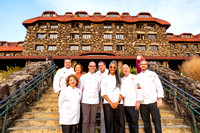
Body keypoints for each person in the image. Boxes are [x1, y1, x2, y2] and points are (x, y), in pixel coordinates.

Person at [137, 60, 164, 133]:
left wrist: (160, 99)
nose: (143, 65)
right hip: (143, 103)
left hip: (153, 101)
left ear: (147, 65)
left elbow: (159, 86)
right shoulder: (138, 76)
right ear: (139, 65)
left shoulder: (153, 74)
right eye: (141, 64)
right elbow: (138, 88)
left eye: (144, 64)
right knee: (146, 123)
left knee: (156, 121)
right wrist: (138, 101)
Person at [101, 60, 125, 133]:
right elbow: (103, 92)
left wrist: (117, 102)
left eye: (114, 67)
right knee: (109, 123)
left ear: (116, 68)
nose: (112, 68)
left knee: (119, 123)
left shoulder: (120, 79)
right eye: (111, 67)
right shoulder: (105, 78)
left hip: (119, 104)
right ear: (109, 68)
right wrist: (111, 103)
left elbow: (123, 92)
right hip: (108, 104)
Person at [79, 61, 100, 133]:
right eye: (91, 66)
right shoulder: (83, 77)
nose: (92, 67)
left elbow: (99, 88)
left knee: (93, 121)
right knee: (85, 121)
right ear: (88, 67)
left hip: (95, 101)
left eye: (94, 66)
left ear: (95, 67)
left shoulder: (98, 77)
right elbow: (80, 89)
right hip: (85, 101)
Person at [121, 64, 143, 133]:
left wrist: (138, 101)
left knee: (134, 123)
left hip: (133, 104)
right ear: (122, 70)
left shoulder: (135, 77)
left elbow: (139, 89)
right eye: (124, 69)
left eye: (127, 68)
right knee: (129, 123)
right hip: (125, 104)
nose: (125, 70)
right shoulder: (122, 79)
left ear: (129, 69)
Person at [96, 61, 109, 133]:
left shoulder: (109, 72)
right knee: (102, 115)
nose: (100, 67)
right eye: (99, 66)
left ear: (105, 66)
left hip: (108, 96)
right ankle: (103, 131)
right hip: (99, 95)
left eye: (102, 65)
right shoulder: (97, 74)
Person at [74, 63, 83, 133]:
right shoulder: (72, 77)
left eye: (79, 68)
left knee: (80, 116)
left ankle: (80, 130)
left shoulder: (83, 77)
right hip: (73, 99)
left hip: (81, 98)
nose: (77, 69)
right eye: (76, 67)